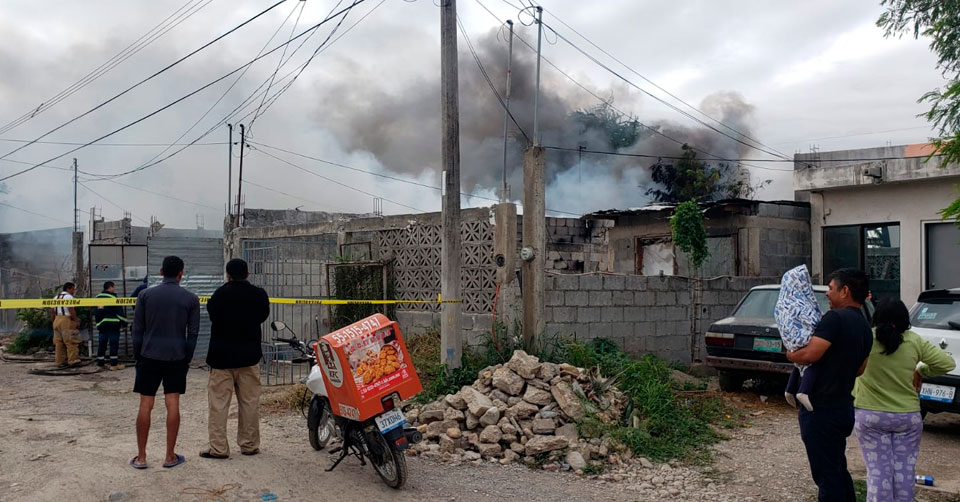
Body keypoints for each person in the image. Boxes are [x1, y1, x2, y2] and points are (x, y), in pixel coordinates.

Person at [853, 299, 956, 502]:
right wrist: (922, 370)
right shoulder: (914, 340)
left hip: (871, 415)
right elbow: (947, 363)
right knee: (904, 475)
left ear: (876, 317)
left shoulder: (866, 338)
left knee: (878, 473)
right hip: (907, 418)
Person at [786, 268, 873, 502]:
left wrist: (790, 354)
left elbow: (810, 355)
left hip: (820, 409)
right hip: (842, 408)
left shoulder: (834, 319)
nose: (827, 293)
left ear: (845, 291)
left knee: (826, 475)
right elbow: (860, 369)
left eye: (831, 288)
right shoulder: (865, 326)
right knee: (836, 469)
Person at [130, 256, 199, 470]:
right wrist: (187, 358)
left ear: (161, 272)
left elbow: (137, 329)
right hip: (176, 357)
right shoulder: (190, 298)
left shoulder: (145, 295)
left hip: (148, 355)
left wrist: (138, 355)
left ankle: (141, 457)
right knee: (172, 402)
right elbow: (193, 333)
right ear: (181, 274)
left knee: (145, 404)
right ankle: (169, 456)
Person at [200, 258, 270, 459]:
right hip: (249, 358)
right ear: (248, 274)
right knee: (250, 403)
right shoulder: (259, 294)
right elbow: (263, 316)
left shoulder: (219, 295)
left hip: (221, 359)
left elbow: (213, 315)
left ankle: (219, 448)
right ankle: (249, 445)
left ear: (228, 275)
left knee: (218, 404)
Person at [95, 281, 128, 370]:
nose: (114, 289)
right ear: (110, 287)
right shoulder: (113, 297)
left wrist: (98, 323)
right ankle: (114, 365)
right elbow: (119, 312)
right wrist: (124, 323)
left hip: (102, 325)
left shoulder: (97, 297)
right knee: (113, 343)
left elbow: (96, 312)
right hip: (113, 324)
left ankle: (100, 364)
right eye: (113, 287)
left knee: (102, 343)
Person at [49, 282, 81, 368]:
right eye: (73, 289)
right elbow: (71, 309)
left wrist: (53, 322)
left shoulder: (55, 297)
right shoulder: (69, 297)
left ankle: (60, 361)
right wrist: (76, 321)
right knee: (71, 340)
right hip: (66, 320)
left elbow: (52, 311)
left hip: (57, 320)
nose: (73, 291)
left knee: (59, 342)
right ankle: (73, 360)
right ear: (69, 289)